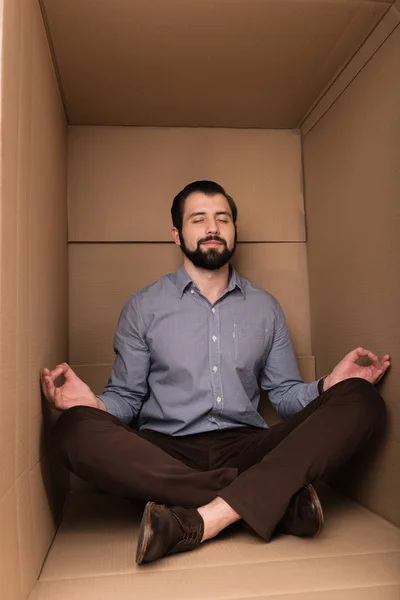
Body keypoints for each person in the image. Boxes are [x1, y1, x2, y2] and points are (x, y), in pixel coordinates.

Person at [42, 180, 389, 565]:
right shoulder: (143, 307)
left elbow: (287, 396)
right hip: (162, 454)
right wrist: (90, 404)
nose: (212, 228)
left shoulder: (265, 307)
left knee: (361, 398)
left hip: (249, 450)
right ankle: (272, 500)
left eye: (222, 218)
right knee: (72, 430)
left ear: (234, 230)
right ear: (177, 234)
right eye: (198, 219)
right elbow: (126, 397)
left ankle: (203, 519)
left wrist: (330, 385)